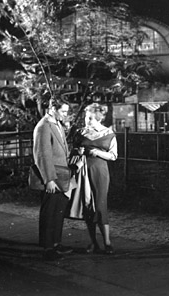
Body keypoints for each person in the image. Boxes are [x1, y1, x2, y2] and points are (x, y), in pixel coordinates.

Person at [67, 103, 118, 254]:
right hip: (83, 170)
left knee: (100, 205)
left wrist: (97, 152)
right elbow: (71, 152)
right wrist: (78, 151)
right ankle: (93, 242)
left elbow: (113, 156)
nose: (86, 121)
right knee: (87, 205)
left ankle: (107, 242)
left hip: (99, 171)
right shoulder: (80, 132)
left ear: (98, 118)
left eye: (90, 118)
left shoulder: (108, 134)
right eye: (86, 118)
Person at [28, 97, 75, 261]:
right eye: (63, 111)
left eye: (66, 111)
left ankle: (56, 243)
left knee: (58, 210)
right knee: (50, 212)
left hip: (61, 175)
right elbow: (42, 155)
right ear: (53, 109)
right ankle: (48, 247)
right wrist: (49, 179)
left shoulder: (57, 124)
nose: (65, 114)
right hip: (53, 177)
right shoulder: (43, 127)